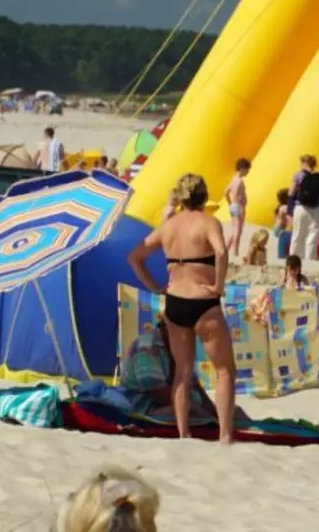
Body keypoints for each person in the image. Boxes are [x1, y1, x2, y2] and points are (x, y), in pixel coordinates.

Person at [127, 173, 237, 444]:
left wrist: (154, 286)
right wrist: (220, 285)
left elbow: (135, 257)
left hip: (175, 302)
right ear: (203, 196)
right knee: (224, 371)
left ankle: (183, 433)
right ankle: (225, 436)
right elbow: (221, 252)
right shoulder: (209, 222)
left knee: (182, 372)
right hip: (203, 301)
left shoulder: (168, 226)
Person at [287, 154, 319, 262]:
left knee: (297, 234)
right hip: (316, 209)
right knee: (313, 235)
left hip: (301, 207)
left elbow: (291, 192)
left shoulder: (299, 175)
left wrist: (289, 209)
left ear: (304, 163)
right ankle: (310, 260)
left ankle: (293, 259)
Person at [223, 159, 250, 258]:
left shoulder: (233, 179)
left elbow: (225, 192)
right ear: (243, 169)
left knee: (234, 230)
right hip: (239, 206)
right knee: (238, 231)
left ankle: (226, 249)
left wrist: (230, 203)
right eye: (247, 170)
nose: (248, 172)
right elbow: (239, 195)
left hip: (233, 206)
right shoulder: (239, 181)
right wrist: (241, 202)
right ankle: (235, 253)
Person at [272, 188, 292, 260]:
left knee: (284, 239)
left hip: (276, 227)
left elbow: (275, 218)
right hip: (280, 228)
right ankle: (283, 255)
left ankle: (282, 254)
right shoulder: (285, 207)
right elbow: (289, 218)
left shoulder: (279, 207)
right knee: (286, 238)